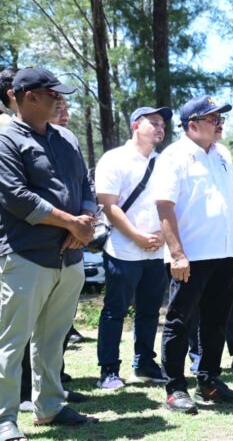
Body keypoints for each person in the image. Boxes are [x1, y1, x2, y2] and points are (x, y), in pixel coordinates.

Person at [0, 68, 99, 440]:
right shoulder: (6, 140)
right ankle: (4, 418)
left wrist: (85, 220)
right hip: (26, 255)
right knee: (12, 342)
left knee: (53, 338)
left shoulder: (67, 138)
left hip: (69, 258)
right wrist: (70, 223)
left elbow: (85, 183)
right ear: (28, 97)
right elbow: (15, 196)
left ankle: (50, 406)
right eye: (52, 93)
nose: (60, 99)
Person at [153, 95, 233, 414]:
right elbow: (165, 206)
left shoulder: (222, 154)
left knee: (216, 320)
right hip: (190, 257)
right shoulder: (174, 156)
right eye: (213, 118)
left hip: (224, 254)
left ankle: (208, 380)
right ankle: (175, 387)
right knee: (180, 321)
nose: (220, 123)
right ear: (192, 126)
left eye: (221, 118)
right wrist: (176, 254)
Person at [94, 106, 173, 390]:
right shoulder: (114, 159)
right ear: (135, 126)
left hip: (155, 251)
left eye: (162, 124)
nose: (160, 128)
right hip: (123, 250)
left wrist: (164, 237)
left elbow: (170, 204)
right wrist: (137, 235)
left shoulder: (163, 162)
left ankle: (145, 363)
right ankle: (109, 370)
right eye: (153, 123)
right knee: (115, 311)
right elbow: (109, 205)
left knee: (150, 311)